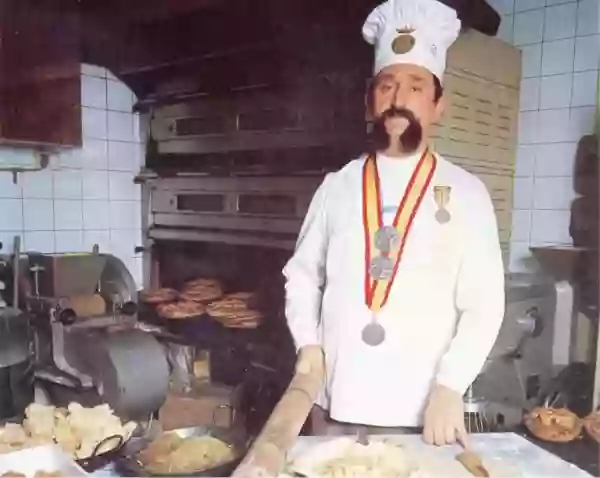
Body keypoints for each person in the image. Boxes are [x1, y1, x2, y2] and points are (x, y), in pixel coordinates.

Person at [282, 0, 505, 446]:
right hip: (334, 403)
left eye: (416, 86)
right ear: (371, 100)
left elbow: (484, 304)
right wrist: (307, 344)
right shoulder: (337, 186)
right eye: (387, 86)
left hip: (420, 412)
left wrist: (451, 386)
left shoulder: (467, 193)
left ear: (439, 104)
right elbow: (302, 276)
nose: (399, 99)